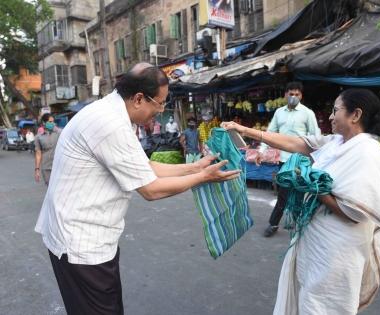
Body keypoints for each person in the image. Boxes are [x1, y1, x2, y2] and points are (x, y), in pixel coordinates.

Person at [35, 63, 240, 315]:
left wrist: (195, 167)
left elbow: (144, 166)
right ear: (139, 99)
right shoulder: (110, 123)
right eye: (160, 103)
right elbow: (151, 189)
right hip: (81, 244)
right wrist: (203, 178)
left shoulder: (113, 113)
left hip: (83, 238)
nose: (161, 110)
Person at [222, 88, 380, 314]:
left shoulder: (367, 152)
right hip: (318, 245)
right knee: (309, 299)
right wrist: (243, 130)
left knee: (324, 304)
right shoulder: (335, 143)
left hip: (337, 251)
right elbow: (294, 143)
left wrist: (312, 187)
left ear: (355, 115)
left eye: (335, 110)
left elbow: (355, 211)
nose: (330, 116)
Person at [264, 81, 320, 237]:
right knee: (283, 194)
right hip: (284, 160)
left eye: (297, 94)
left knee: (299, 193)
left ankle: (297, 223)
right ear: (285, 94)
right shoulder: (279, 113)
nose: (293, 97)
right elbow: (270, 133)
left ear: (301, 96)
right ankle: (273, 224)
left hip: (301, 161)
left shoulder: (308, 113)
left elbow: (315, 135)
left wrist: (315, 159)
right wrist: (262, 151)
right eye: (291, 94)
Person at [34, 114, 61, 185]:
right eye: (50, 122)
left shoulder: (59, 133)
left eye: (53, 122)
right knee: (50, 188)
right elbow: (38, 153)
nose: (52, 124)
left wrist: (57, 129)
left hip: (59, 166)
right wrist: (37, 170)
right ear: (44, 123)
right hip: (46, 168)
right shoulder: (38, 137)